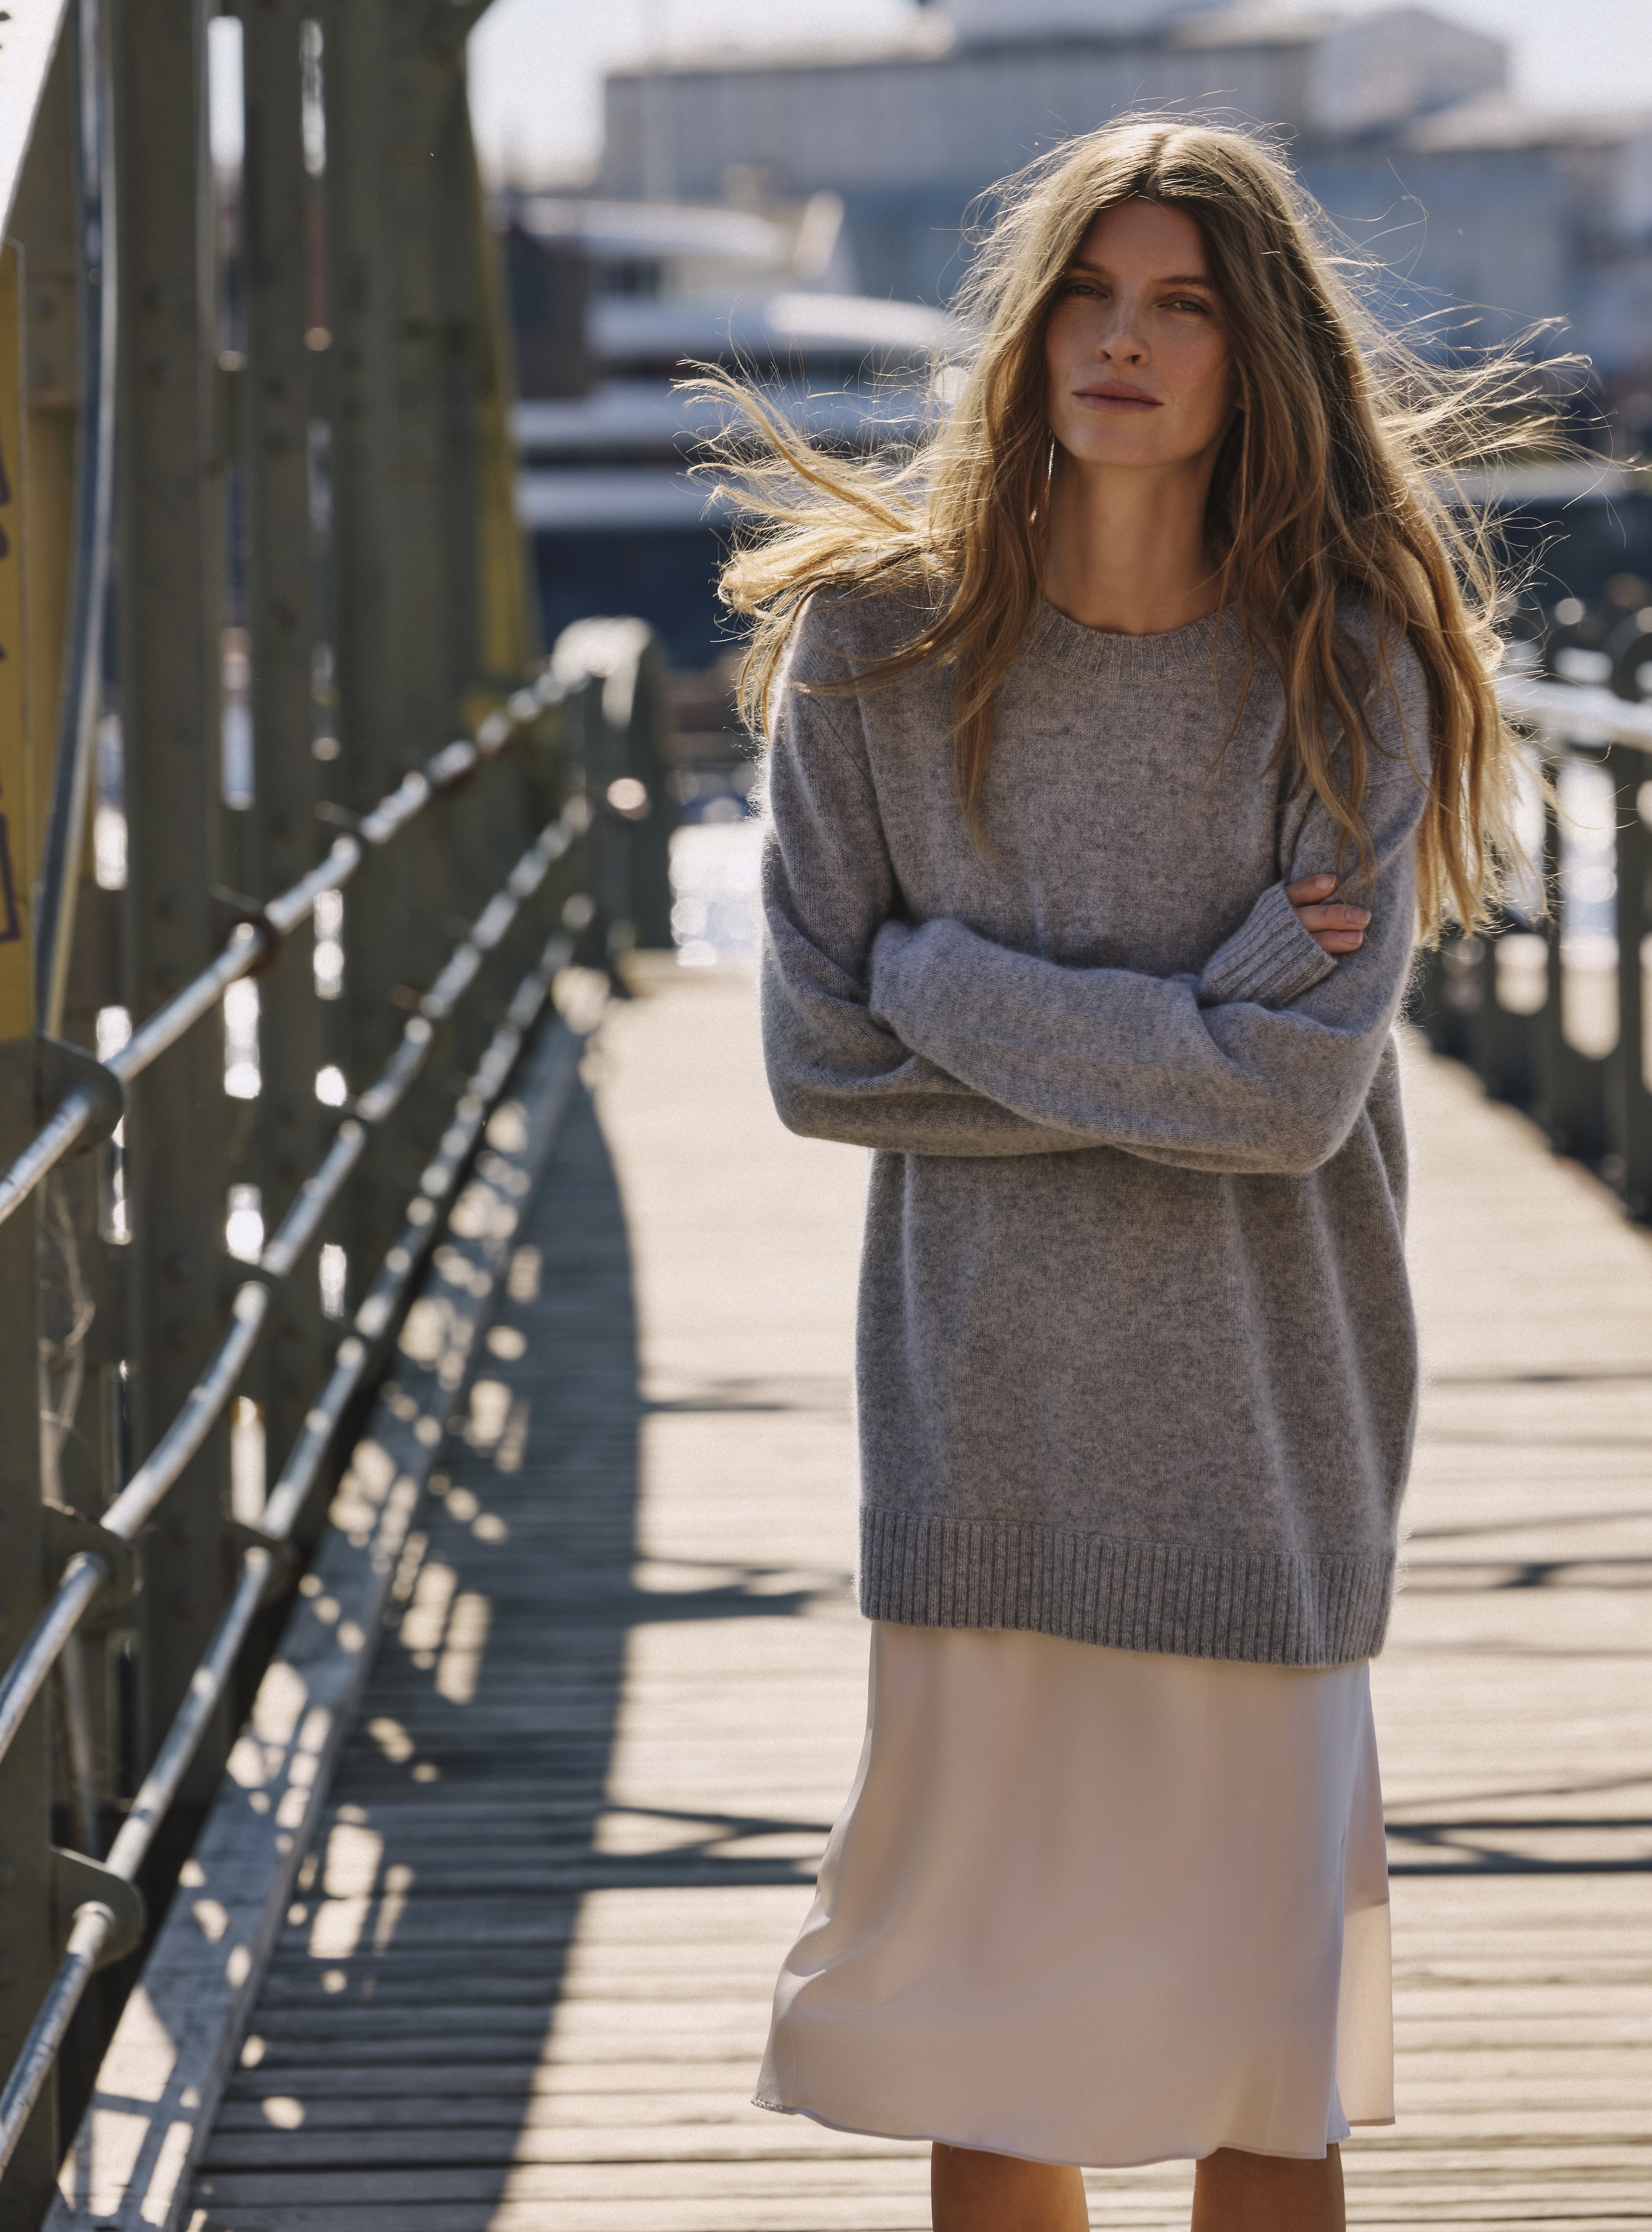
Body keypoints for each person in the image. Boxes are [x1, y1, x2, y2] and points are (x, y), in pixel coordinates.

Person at [713, 119, 1531, 2232]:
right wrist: (1187, 1021)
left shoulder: (1344, 652)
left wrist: (942, 976)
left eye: (1180, 303)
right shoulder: (874, 650)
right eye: (1087, 291)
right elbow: (819, 1061)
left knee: (1267, 2093)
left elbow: (1290, 1109)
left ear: (1256, 354)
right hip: (990, 1444)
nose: (1123, 341)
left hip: (1266, 1447)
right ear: (1028, 327)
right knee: (1004, 2082)